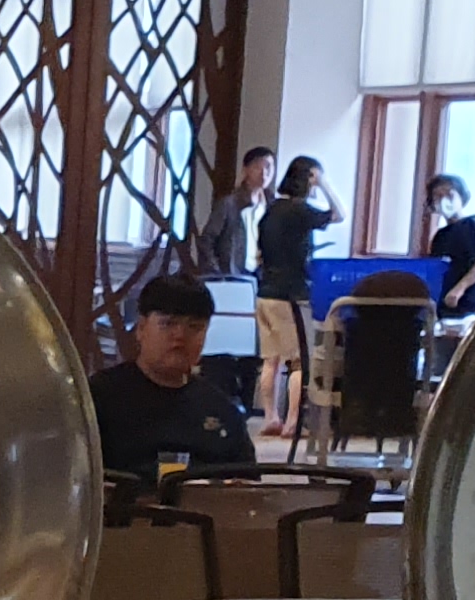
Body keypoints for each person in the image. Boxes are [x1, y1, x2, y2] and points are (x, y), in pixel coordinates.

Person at [89, 276, 260, 477]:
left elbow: (247, 486)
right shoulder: (98, 398)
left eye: (194, 327)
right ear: (141, 328)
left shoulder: (222, 410)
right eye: (168, 323)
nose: (180, 335)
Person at [254, 156, 335, 431]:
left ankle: (270, 417)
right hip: (290, 295)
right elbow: (339, 214)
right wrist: (324, 184)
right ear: (309, 178)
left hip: (265, 292)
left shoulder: (272, 209)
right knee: (298, 361)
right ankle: (292, 421)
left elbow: (260, 253)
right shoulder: (299, 210)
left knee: (270, 361)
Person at [192, 145, 274, 279]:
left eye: (268, 167)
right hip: (232, 275)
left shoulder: (272, 206)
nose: (264, 173)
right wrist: (217, 273)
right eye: (258, 167)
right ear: (245, 170)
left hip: (261, 276)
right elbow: (206, 240)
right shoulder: (229, 204)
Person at [426, 172, 475, 315]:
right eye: (438, 196)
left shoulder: (474, 226)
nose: (444, 200)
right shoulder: (440, 236)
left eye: (449, 194)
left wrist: (460, 289)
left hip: (473, 303)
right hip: (445, 304)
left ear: (462, 197)